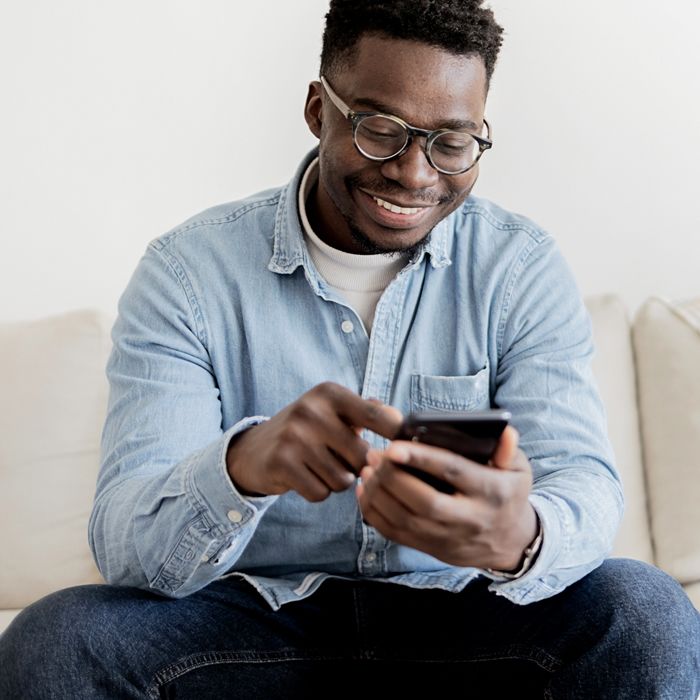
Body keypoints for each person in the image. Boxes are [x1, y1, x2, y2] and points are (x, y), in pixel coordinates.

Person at [1, 1, 698, 697]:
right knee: (58, 638)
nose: (416, 174)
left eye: (451, 143)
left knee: (647, 610)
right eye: (380, 130)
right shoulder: (188, 274)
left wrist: (520, 537)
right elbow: (126, 544)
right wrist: (241, 467)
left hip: (467, 619)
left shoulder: (518, 270)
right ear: (317, 109)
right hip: (254, 625)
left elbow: (583, 482)